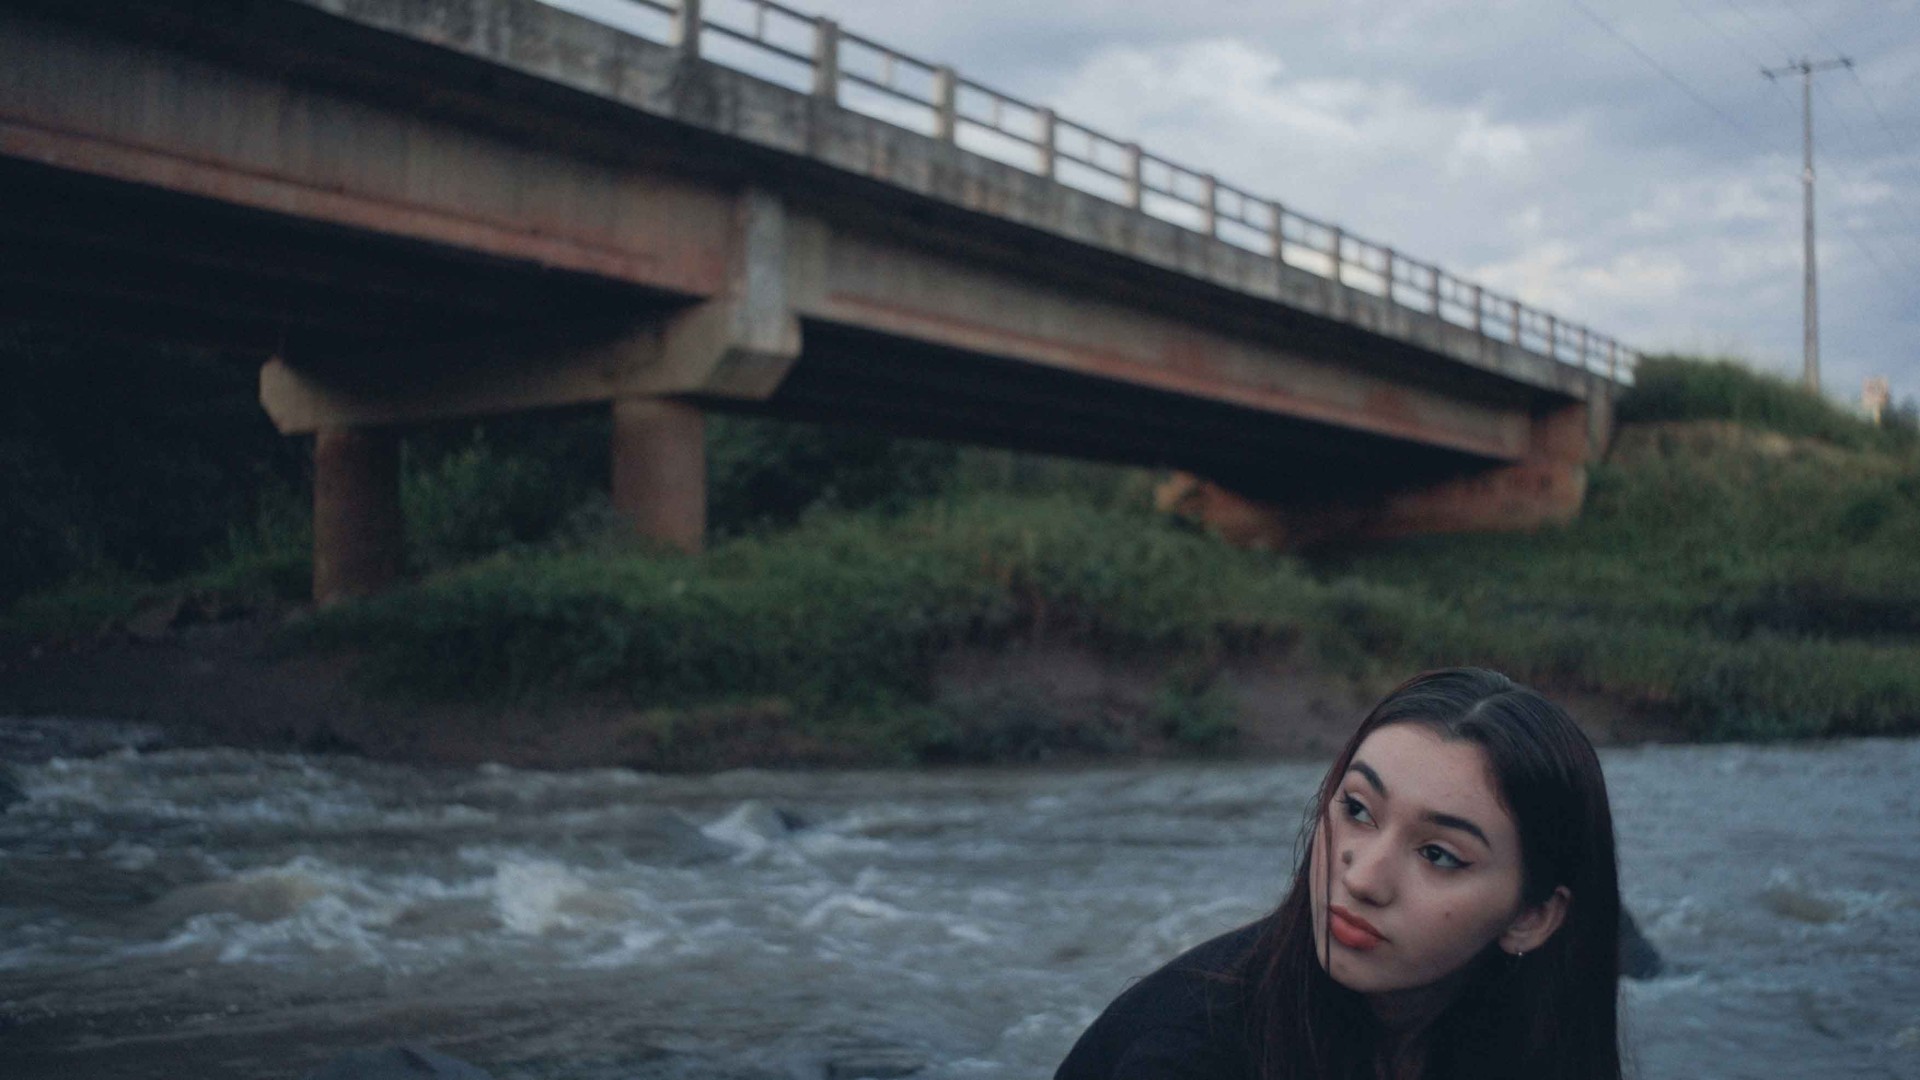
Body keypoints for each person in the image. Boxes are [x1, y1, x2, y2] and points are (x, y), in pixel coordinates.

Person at [1054, 668, 1622, 1080]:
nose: (1363, 878)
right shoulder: (1187, 1051)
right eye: (1356, 810)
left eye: (1438, 854)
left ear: (1532, 916)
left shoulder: (1526, 1041)